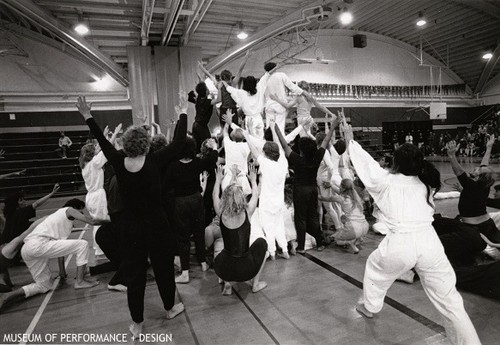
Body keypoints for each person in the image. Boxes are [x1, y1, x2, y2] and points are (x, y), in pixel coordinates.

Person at [342, 122, 481, 344]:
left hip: (400, 245)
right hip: (430, 244)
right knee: (450, 302)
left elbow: (366, 165)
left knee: (375, 269)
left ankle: (370, 306)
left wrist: (350, 140)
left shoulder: (386, 181)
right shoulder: (427, 183)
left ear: (396, 163)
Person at [76, 95, 186, 339]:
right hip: (157, 226)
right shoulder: (155, 161)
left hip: (131, 229)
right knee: (163, 269)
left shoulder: (117, 161)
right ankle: (170, 308)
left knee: (135, 276)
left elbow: (104, 142)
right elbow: (178, 142)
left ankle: (137, 324)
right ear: (146, 145)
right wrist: (183, 112)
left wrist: (88, 116)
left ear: (125, 145)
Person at [0, 199, 104, 312]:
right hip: (38, 245)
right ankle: (80, 281)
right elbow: (92, 221)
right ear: (75, 207)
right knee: (82, 244)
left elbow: (61, 250)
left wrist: (62, 272)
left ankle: (7, 296)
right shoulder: (68, 210)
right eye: (81, 210)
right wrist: (111, 219)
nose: (82, 213)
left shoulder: (58, 221)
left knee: (44, 285)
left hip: (27, 250)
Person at [274, 115, 338, 253]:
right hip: (313, 189)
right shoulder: (317, 157)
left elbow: (284, 145)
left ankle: (301, 247)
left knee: (300, 218)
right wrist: (332, 127)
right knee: (313, 216)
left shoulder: (297, 160)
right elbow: (326, 141)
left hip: (300, 190)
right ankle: (320, 243)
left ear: (301, 149)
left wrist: (277, 130)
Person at [166, 136, 218, 283]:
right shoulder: (197, 163)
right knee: (198, 231)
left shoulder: (173, 165)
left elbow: (167, 186)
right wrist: (214, 148)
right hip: (196, 199)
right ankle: (203, 264)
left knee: (183, 238)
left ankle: (185, 272)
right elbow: (211, 160)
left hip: (180, 202)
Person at [212, 165, 268, 295]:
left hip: (224, 268)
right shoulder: (247, 211)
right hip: (246, 269)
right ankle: (255, 284)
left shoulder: (221, 212)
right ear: (241, 198)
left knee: (219, 244)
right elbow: (255, 194)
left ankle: (227, 283)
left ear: (225, 198)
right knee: (262, 243)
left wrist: (218, 179)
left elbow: (215, 195)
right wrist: (253, 179)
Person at [270, 80, 335, 136]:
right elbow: (321, 107)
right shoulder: (310, 97)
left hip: (302, 119)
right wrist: (331, 114)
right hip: (309, 118)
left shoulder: (298, 97)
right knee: (309, 140)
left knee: (304, 140)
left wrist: (276, 99)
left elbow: (287, 106)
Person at [264, 62, 304, 133]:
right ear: (275, 68)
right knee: (279, 131)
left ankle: (269, 143)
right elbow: (292, 86)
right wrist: (302, 92)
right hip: (279, 106)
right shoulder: (281, 75)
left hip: (269, 106)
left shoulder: (264, 79)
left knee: (269, 130)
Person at [188, 81, 217, 153]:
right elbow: (219, 99)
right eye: (207, 88)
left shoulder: (198, 99)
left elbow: (200, 90)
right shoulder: (208, 102)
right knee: (209, 145)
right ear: (206, 91)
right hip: (201, 127)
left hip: (195, 125)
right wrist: (219, 88)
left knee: (197, 146)